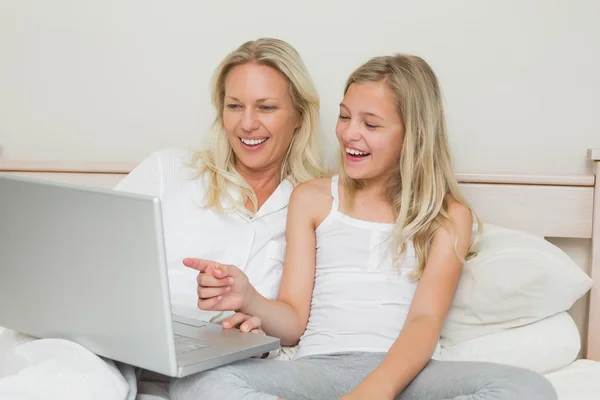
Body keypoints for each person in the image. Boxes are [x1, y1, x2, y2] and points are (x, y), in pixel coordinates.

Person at [170, 54, 558, 399]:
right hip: (319, 368)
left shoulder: (448, 216)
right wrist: (248, 296)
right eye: (344, 116)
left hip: (408, 376)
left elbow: (424, 321)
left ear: (413, 135)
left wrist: (376, 391)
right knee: (197, 382)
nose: (349, 133)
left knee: (530, 388)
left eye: (371, 124)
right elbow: (291, 322)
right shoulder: (313, 199)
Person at [114, 37, 324, 328]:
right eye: (235, 106)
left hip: (224, 363)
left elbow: (301, 322)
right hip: (126, 335)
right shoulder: (171, 169)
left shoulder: (316, 205)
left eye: (266, 108)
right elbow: (87, 248)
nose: (247, 124)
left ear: (299, 115)